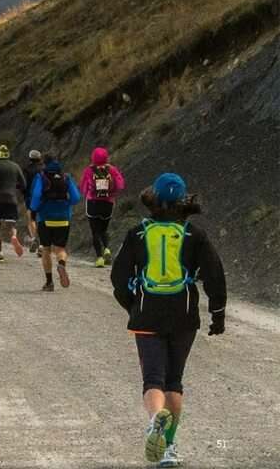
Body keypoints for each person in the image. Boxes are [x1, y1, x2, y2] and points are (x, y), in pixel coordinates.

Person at [110, 173, 226, 468]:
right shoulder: (194, 235)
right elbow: (214, 275)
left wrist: (132, 306)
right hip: (183, 316)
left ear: (155, 199)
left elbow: (118, 276)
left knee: (153, 379)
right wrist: (217, 314)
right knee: (174, 381)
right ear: (183, 201)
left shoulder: (137, 233)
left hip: (147, 314)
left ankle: (154, 424)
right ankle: (169, 446)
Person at [30, 154, 81, 291]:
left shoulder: (41, 177)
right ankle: (62, 264)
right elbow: (76, 197)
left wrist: (35, 209)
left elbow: (35, 196)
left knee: (46, 249)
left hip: (45, 218)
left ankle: (49, 283)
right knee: (60, 249)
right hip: (64, 218)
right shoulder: (66, 177)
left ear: (44, 163)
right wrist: (67, 204)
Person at [81, 147, 126, 267]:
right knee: (104, 228)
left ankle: (99, 257)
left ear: (93, 158)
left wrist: (88, 195)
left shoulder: (88, 171)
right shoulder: (112, 170)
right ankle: (107, 248)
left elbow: (83, 187)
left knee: (95, 231)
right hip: (108, 203)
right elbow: (120, 185)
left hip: (93, 203)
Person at [0, 144, 27, 262]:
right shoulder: (15, 166)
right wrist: (14, 186)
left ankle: (0, 253)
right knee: (11, 225)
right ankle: (14, 236)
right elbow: (23, 184)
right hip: (11, 199)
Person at [22, 150, 44, 257]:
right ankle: (41, 244)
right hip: (44, 197)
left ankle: (36, 239)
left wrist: (23, 192)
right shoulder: (44, 169)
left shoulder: (26, 169)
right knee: (41, 220)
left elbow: (23, 184)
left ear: (30, 158)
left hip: (30, 197)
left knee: (31, 219)